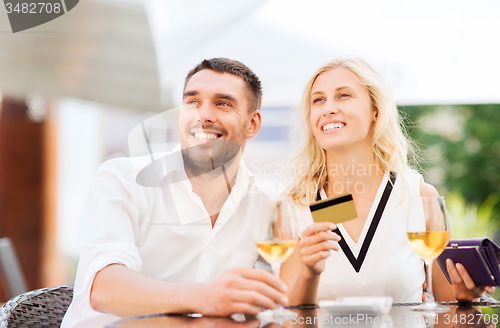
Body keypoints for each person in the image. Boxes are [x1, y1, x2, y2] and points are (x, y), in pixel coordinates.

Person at [61, 58, 292, 327]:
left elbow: (277, 298)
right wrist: (206, 297)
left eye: (223, 103)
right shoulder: (122, 179)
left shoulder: (262, 206)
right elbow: (104, 288)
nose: (202, 115)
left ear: (252, 124)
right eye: (192, 102)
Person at [284, 58, 494, 304]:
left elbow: (450, 309)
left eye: (343, 95)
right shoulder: (296, 205)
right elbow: (286, 315)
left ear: (375, 111)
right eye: (318, 99)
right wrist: (310, 272)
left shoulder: (420, 197)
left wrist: (467, 298)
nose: (328, 108)